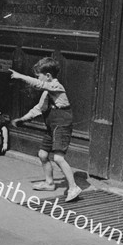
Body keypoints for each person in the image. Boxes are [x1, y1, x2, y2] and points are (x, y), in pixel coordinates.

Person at [9, 57, 82, 202]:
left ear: (48, 76)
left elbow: (39, 84)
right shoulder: (46, 93)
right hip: (52, 126)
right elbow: (39, 109)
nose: (38, 78)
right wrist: (23, 119)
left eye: (39, 75)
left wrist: (20, 76)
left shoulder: (57, 87)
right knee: (43, 154)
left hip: (61, 125)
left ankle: (73, 187)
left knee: (58, 158)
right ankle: (49, 183)